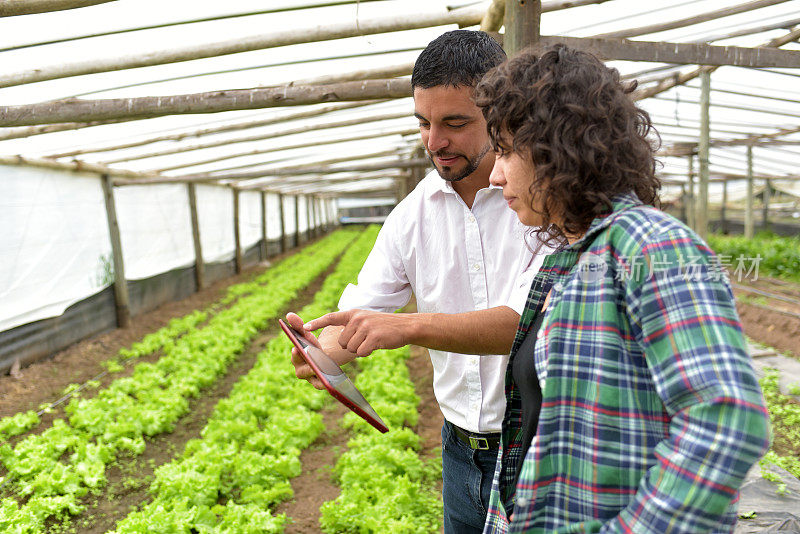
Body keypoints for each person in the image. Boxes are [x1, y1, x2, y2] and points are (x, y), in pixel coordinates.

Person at [471, 44, 771, 533]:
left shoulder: (652, 247)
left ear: (555, 146)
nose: (496, 172)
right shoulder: (567, 262)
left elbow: (726, 420)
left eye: (505, 151)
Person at [286, 30, 546, 533]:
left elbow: (526, 323)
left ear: (501, 117)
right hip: (459, 452)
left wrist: (408, 327)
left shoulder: (539, 202)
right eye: (423, 123)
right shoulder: (411, 217)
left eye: (455, 123)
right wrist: (320, 350)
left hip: (539, 447)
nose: (435, 141)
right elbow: (365, 307)